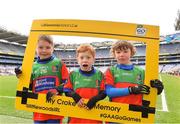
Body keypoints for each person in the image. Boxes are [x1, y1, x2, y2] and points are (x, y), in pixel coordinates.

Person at [15, 35, 69, 124]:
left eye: (48, 47)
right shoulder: (32, 66)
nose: (44, 50)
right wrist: (21, 76)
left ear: (53, 48)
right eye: (40, 47)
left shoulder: (59, 64)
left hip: (55, 110)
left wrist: (57, 89)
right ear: (36, 48)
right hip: (38, 109)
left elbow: (68, 84)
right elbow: (28, 86)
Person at [105, 41, 164, 106]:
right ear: (114, 54)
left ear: (131, 53)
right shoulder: (110, 70)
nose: (121, 55)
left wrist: (157, 89)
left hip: (136, 111)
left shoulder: (141, 72)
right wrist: (131, 90)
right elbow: (109, 92)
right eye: (118, 52)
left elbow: (148, 90)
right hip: (116, 111)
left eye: (125, 51)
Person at [63, 44, 106, 123]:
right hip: (75, 117)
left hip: (93, 116)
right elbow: (66, 90)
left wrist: (95, 99)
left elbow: (104, 92)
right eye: (81, 57)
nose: (85, 60)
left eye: (88, 57)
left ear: (93, 59)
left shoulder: (100, 74)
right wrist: (75, 96)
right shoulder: (72, 74)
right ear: (77, 59)